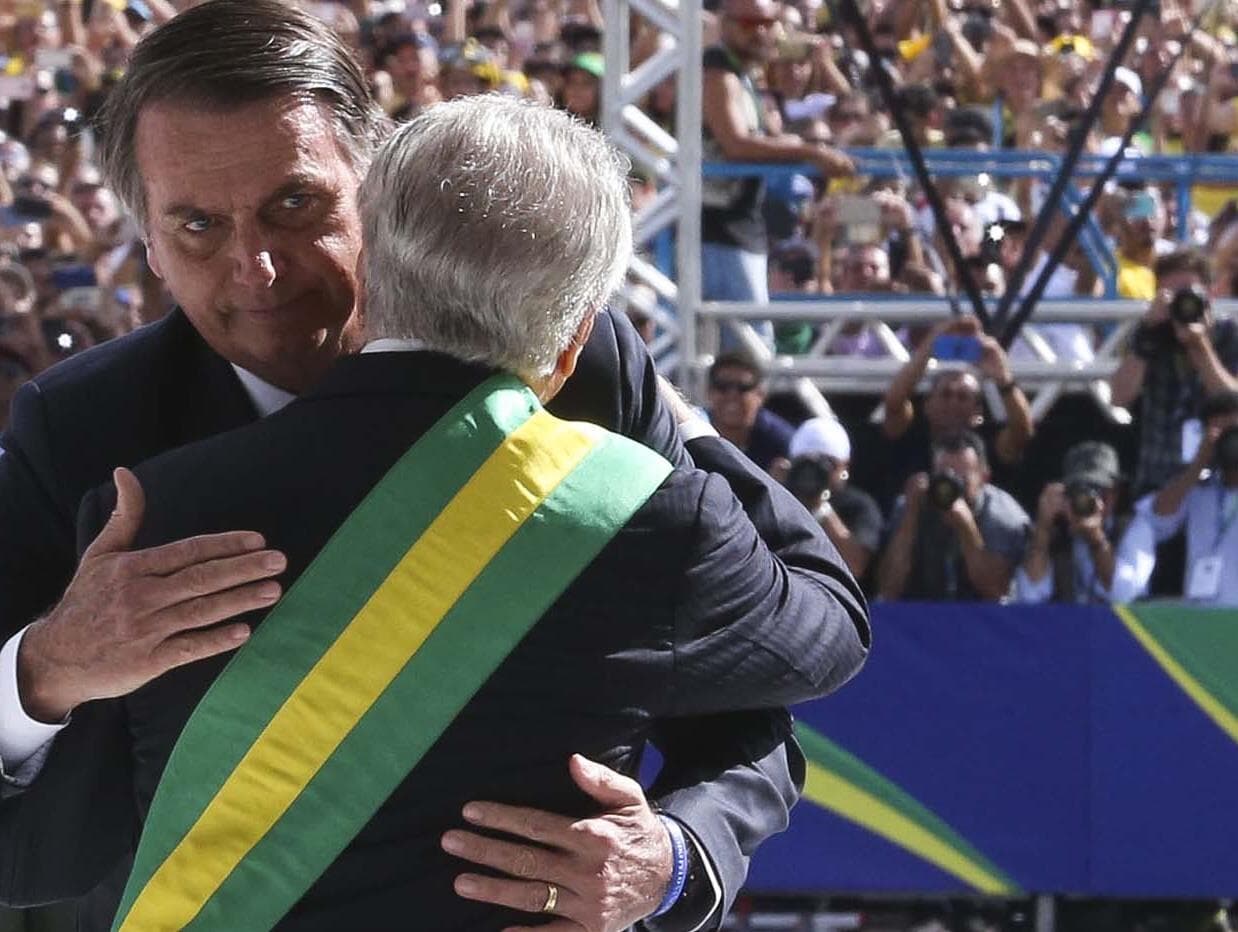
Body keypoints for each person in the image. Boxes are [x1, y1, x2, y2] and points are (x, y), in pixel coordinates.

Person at [0, 3, 821, 930]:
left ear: (377, 188)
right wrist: (44, 671)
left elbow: (753, 708)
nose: (257, 268)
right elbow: (31, 852)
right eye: (196, 227)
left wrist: (674, 858)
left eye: (295, 206)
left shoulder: (578, 362)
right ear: (144, 241)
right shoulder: (82, 430)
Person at [701, 0, 853, 347]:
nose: (760, 32)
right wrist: (809, 151)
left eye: (768, 23)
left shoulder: (743, 74)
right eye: (748, 22)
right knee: (752, 347)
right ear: (726, 25)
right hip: (720, 227)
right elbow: (735, 143)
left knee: (745, 343)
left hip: (739, 223)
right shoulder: (718, 73)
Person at [1109, 248, 1238, 495]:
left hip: (1219, 479)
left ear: (1211, 293)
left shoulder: (1229, 334)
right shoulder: (1149, 334)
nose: (1182, 302)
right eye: (1171, 294)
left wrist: (1199, 346)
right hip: (1158, 481)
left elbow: (1234, 403)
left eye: (1188, 293)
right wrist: (1147, 337)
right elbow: (1119, 397)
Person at [879, 315, 1034, 503]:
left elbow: (1022, 431)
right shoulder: (912, 436)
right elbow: (895, 402)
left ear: (978, 412)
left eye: (963, 397)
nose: (953, 403)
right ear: (927, 405)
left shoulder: (987, 443)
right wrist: (931, 345)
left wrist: (1003, 376)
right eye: (945, 394)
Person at [877, 430, 1030, 602]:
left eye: (962, 478)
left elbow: (997, 592)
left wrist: (967, 528)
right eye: (944, 477)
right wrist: (910, 516)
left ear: (984, 477)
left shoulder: (1002, 516)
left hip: (985, 619)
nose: (951, 487)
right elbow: (887, 590)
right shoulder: (910, 505)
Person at [1014, 441, 1152, 604]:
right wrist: (1043, 529)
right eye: (1078, 490)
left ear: (1115, 493)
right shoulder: (1055, 530)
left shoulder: (1135, 527)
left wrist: (1097, 540)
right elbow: (1029, 595)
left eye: (1098, 489)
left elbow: (1125, 595)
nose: (1087, 499)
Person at [1140, 390, 1238, 606]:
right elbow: (1156, 519)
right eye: (1221, 435)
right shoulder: (1197, 490)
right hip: (1200, 622)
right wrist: (1197, 464)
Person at [784, 415, 883, 585]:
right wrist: (771, 487)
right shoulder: (779, 500)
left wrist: (820, 507)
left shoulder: (858, 505)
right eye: (804, 463)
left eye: (828, 463)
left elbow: (855, 565)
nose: (811, 474)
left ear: (845, 466)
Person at [705, 350, 794, 473]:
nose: (732, 395)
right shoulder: (694, 432)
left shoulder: (782, 442)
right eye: (722, 386)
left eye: (743, 387)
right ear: (709, 392)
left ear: (760, 395)